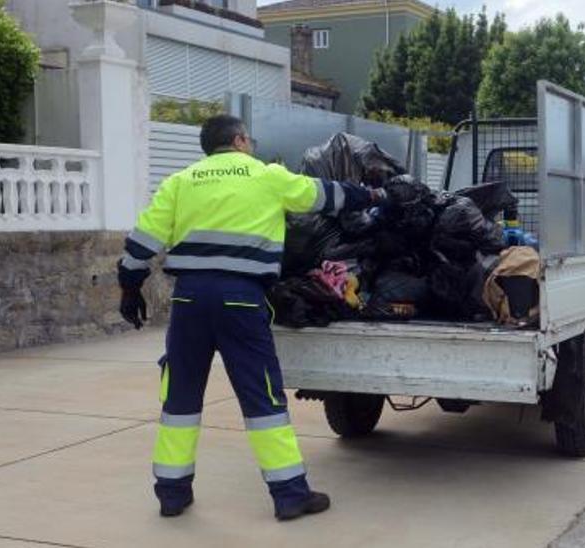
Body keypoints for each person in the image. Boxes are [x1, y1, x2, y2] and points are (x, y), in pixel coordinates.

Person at [116, 115, 403, 521]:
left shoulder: (181, 182)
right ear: (238, 140)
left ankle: (172, 493)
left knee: (179, 396)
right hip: (241, 298)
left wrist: (129, 287)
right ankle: (289, 495)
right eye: (247, 139)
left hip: (190, 300)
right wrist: (373, 197)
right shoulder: (265, 175)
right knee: (262, 396)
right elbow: (324, 195)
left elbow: (143, 240)